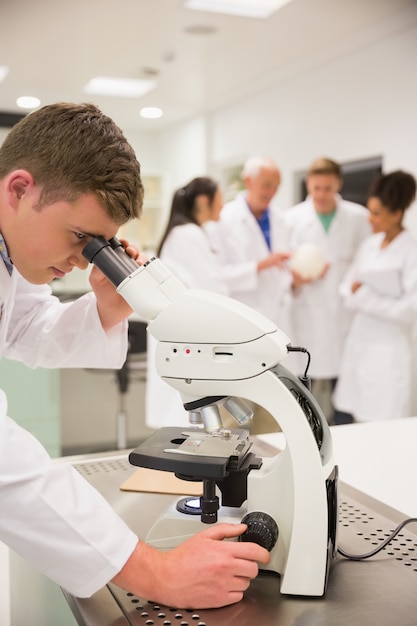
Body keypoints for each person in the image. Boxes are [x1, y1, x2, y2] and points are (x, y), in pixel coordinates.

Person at [0, 103, 269, 610]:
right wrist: (154, 571)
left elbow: (28, 328)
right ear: (19, 189)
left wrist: (105, 304)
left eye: (95, 245)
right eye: (80, 237)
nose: (82, 260)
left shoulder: (10, 255)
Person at [283, 157, 371, 424]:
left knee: (345, 393)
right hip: (305, 315)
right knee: (303, 390)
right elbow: (283, 273)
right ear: (309, 184)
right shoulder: (291, 219)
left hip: (345, 317)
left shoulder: (359, 218)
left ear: (338, 185)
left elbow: (367, 262)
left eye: (328, 188)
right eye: (316, 188)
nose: (321, 195)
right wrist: (298, 280)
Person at [333, 170, 417, 423]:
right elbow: (346, 288)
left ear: (397, 214)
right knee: (352, 419)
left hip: (389, 353)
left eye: (377, 213)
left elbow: (410, 309)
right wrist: (364, 296)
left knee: (384, 425)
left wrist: (365, 298)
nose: (370, 219)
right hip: (359, 346)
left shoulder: (411, 250)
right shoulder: (369, 246)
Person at [146, 176, 229, 428]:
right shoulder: (188, 234)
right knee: (185, 413)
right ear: (204, 201)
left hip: (185, 333)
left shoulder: (185, 233)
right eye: (220, 199)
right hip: (188, 336)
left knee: (182, 412)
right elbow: (212, 287)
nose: (223, 205)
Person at [216, 156, 292, 335]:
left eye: (276, 186)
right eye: (267, 184)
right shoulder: (224, 219)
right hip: (243, 318)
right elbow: (219, 276)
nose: (272, 192)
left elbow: (282, 276)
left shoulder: (281, 220)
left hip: (278, 318)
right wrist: (261, 265)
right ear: (248, 181)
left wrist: (295, 280)